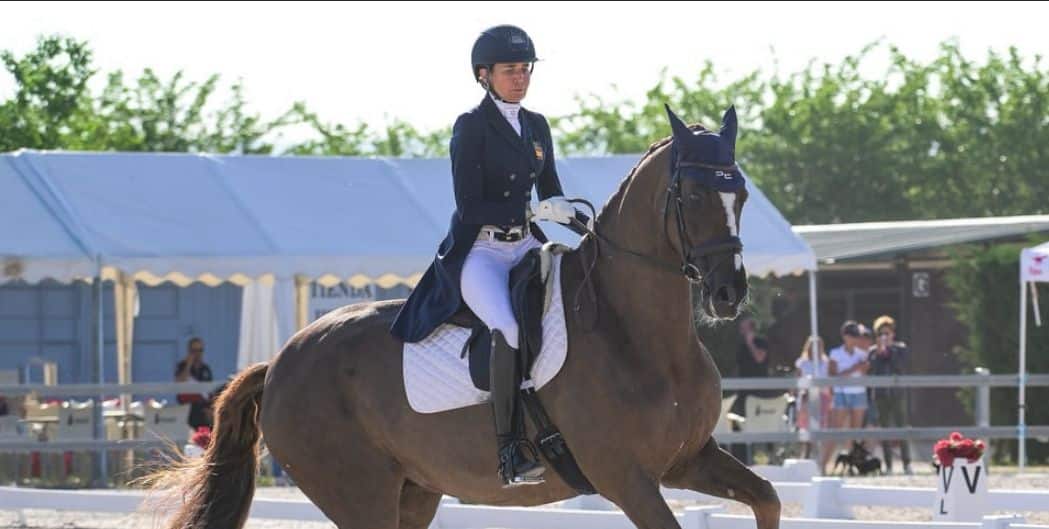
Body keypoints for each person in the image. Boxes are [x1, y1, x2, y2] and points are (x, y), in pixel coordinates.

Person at [389, 24, 583, 487]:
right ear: (484, 75)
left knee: (582, 297)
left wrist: (571, 215)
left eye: (524, 69)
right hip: (483, 251)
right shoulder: (471, 127)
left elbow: (549, 187)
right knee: (509, 327)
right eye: (510, 70)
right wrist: (528, 207)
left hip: (526, 244)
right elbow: (470, 204)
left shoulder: (536, 125)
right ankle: (511, 447)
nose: (520, 78)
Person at [820, 321, 870, 474]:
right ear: (844, 336)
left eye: (856, 336)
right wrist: (853, 369)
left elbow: (865, 372)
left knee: (855, 433)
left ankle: (853, 466)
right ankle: (822, 465)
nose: (854, 339)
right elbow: (833, 374)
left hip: (858, 393)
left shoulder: (862, 354)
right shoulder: (835, 353)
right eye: (851, 336)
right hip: (841, 394)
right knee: (835, 431)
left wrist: (847, 373)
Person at [868, 315, 912, 474]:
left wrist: (890, 350)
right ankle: (888, 465)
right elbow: (872, 368)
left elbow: (899, 366)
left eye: (887, 333)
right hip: (880, 395)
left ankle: (907, 464)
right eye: (881, 334)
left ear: (893, 333)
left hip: (897, 394)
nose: (884, 336)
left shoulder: (901, 348)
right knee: (884, 429)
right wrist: (880, 352)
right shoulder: (873, 351)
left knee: (902, 428)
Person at [794, 336, 831, 460]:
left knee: (821, 427)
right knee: (805, 428)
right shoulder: (802, 363)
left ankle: (821, 460)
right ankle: (804, 457)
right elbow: (797, 381)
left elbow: (828, 382)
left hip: (822, 398)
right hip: (805, 398)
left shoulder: (826, 362)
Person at [175, 337, 214, 430]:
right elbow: (179, 382)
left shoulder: (206, 369)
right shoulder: (182, 366)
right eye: (194, 351)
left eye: (200, 350)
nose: (197, 354)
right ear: (189, 351)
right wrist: (188, 364)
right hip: (188, 408)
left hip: (204, 409)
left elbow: (210, 391)